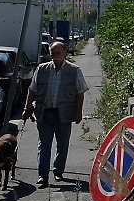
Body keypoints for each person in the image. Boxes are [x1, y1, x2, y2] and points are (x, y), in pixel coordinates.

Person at [22, 41, 88, 188]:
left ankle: (58, 170)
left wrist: (78, 112)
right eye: (53, 54)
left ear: (65, 53)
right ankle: (43, 176)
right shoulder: (42, 69)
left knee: (62, 145)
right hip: (45, 114)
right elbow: (32, 90)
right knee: (44, 145)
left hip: (64, 114)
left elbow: (80, 93)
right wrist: (27, 108)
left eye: (58, 53)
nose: (55, 56)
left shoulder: (74, 70)